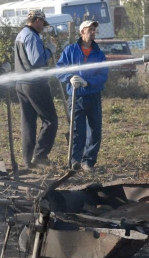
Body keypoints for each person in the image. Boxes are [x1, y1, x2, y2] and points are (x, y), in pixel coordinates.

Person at [56, 20, 109, 171]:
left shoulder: (98, 53)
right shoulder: (70, 50)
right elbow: (60, 69)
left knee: (95, 130)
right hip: (76, 96)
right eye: (89, 29)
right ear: (82, 32)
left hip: (93, 95)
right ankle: (75, 160)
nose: (92, 32)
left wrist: (88, 82)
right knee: (77, 129)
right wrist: (69, 78)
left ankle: (89, 161)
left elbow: (103, 74)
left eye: (94, 30)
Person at [13, 10, 58, 169]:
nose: (43, 28)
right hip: (34, 84)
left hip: (21, 84)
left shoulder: (20, 35)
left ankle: (27, 161)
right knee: (50, 120)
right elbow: (37, 61)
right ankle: (40, 156)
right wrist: (50, 50)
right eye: (42, 24)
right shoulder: (32, 36)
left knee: (28, 122)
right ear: (37, 20)